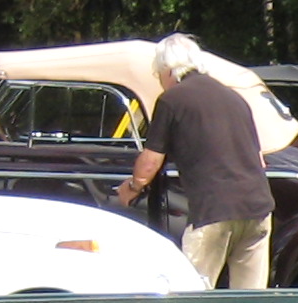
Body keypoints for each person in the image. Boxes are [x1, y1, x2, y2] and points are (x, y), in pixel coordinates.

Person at [115, 34, 273, 288]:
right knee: (250, 297)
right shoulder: (234, 98)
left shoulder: (173, 99)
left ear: (167, 70)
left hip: (214, 210)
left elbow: (150, 163)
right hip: (258, 208)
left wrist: (132, 188)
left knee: (193, 292)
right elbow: (259, 159)